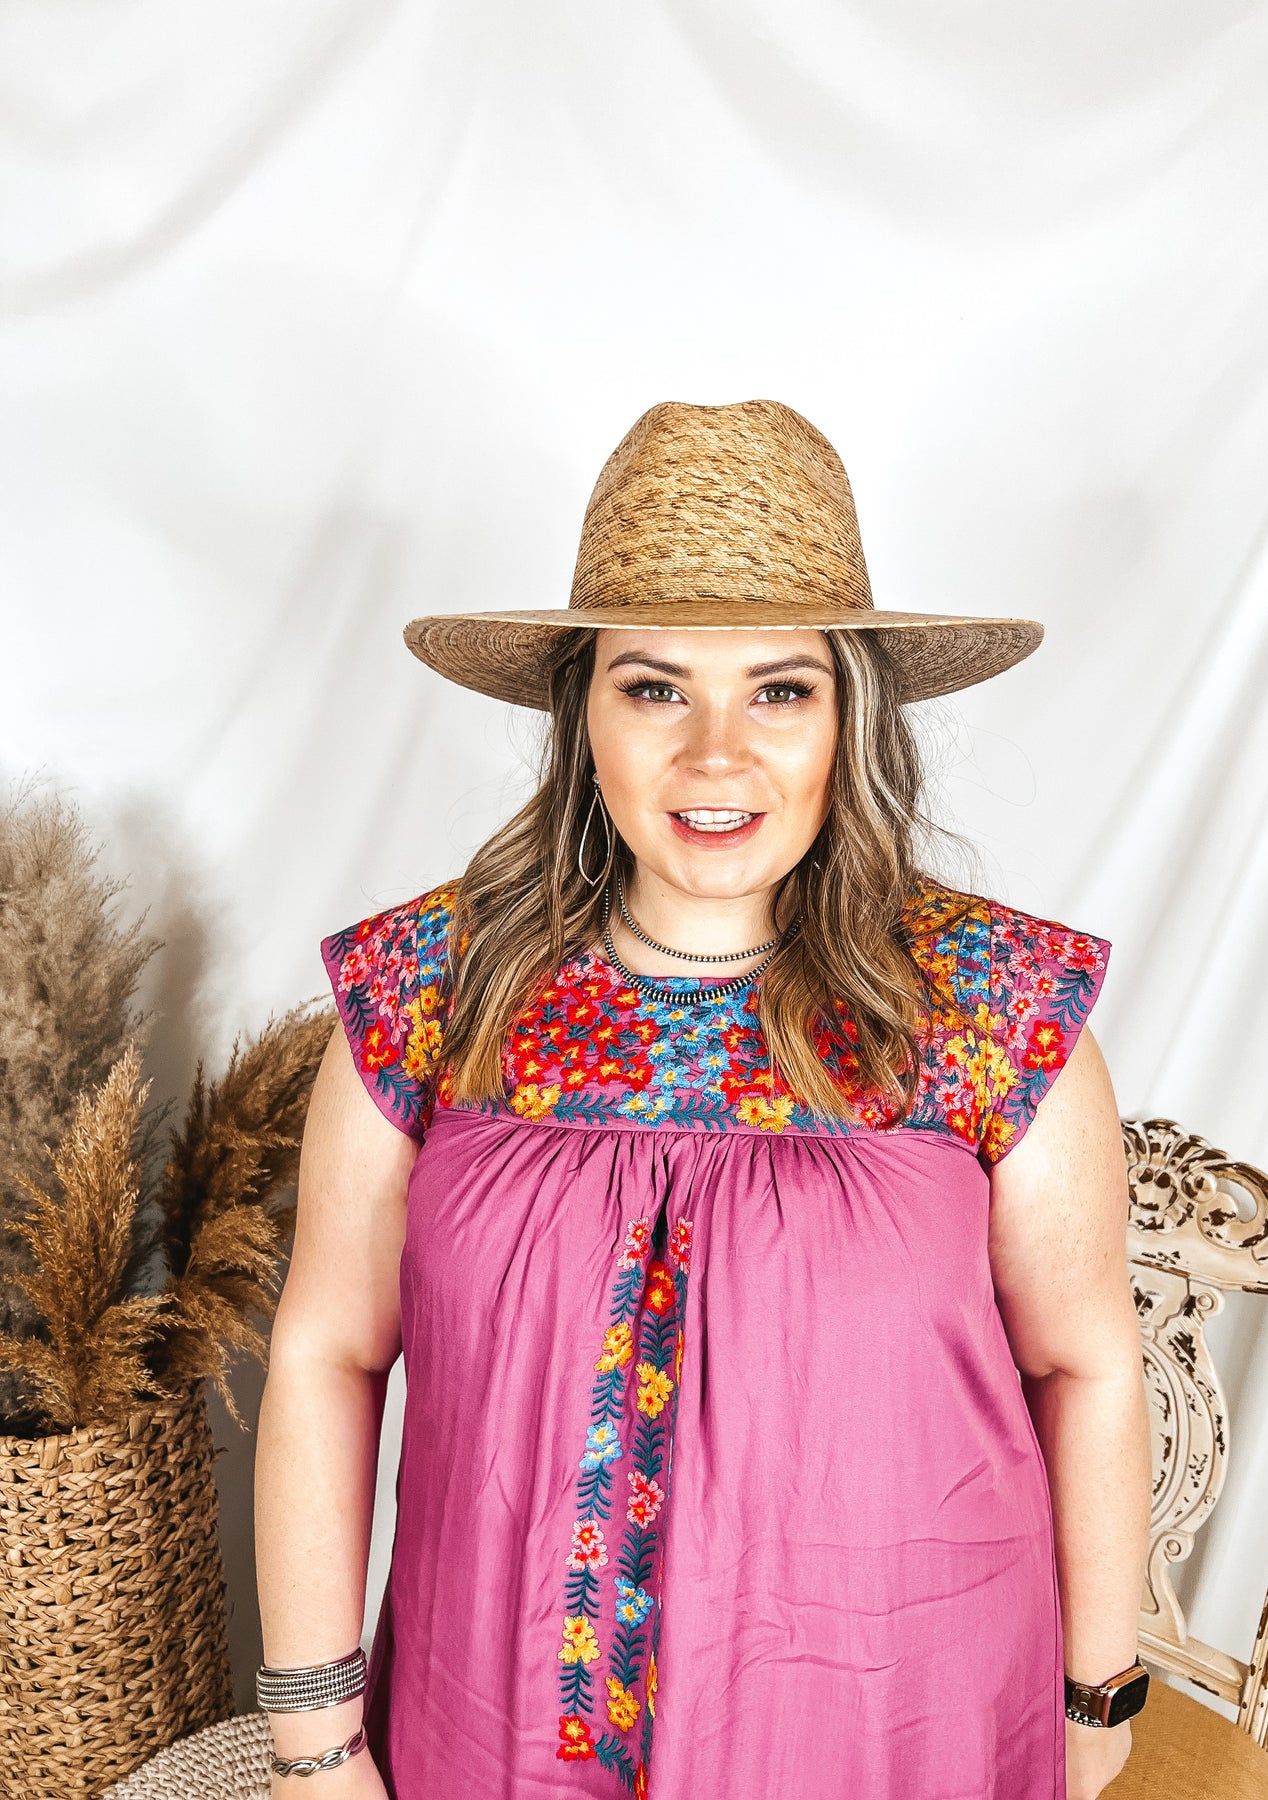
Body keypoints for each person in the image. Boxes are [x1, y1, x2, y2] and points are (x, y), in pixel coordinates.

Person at [254, 399, 1153, 1800]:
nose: (716, 755)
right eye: (655, 688)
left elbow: (1084, 1366)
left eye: (780, 690)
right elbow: (326, 1351)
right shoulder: (430, 989)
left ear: (849, 717)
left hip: (892, 1734)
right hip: (492, 1730)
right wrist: (314, 1738)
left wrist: (1097, 1704)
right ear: (583, 713)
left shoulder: (990, 1006)